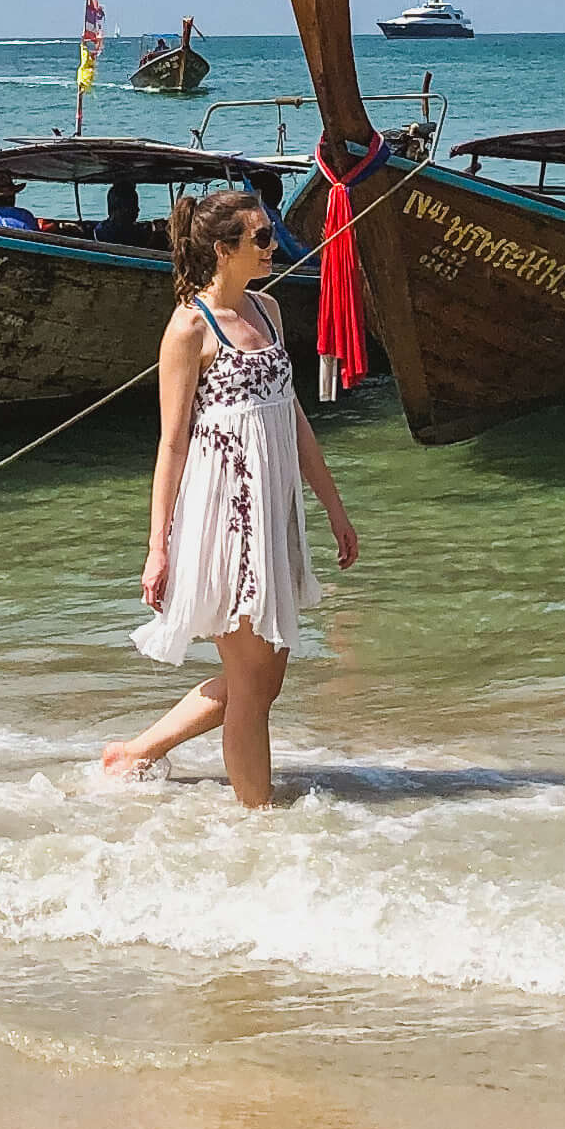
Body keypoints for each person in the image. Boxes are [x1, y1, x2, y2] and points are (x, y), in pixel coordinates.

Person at [103, 183, 358, 808]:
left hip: (274, 516)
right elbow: (172, 444)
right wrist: (157, 547)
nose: (274, 246)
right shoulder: (190, 327)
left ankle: (136, 754)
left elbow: (291, 416)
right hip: (225, 517)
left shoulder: (269, 310)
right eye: (262, 238)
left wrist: (332, 505)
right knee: (252, 686)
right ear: (224, 250)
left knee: (264, 682)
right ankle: (258, 822)